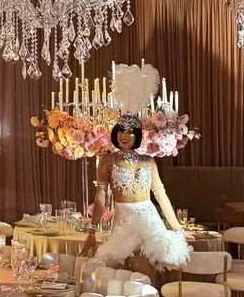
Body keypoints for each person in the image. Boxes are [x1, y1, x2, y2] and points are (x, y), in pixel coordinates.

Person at [79, 64, 190, 270]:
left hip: (151, 221)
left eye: (130, 132)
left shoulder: (148, 160)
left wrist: (177, 228)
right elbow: (100, 197)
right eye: (121, 131)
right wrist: (92, 231)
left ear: (137, 135)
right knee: (124, 271)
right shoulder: (108, 160)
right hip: (124, 220)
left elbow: (160, 194)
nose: (124, 135)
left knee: (150, 271)